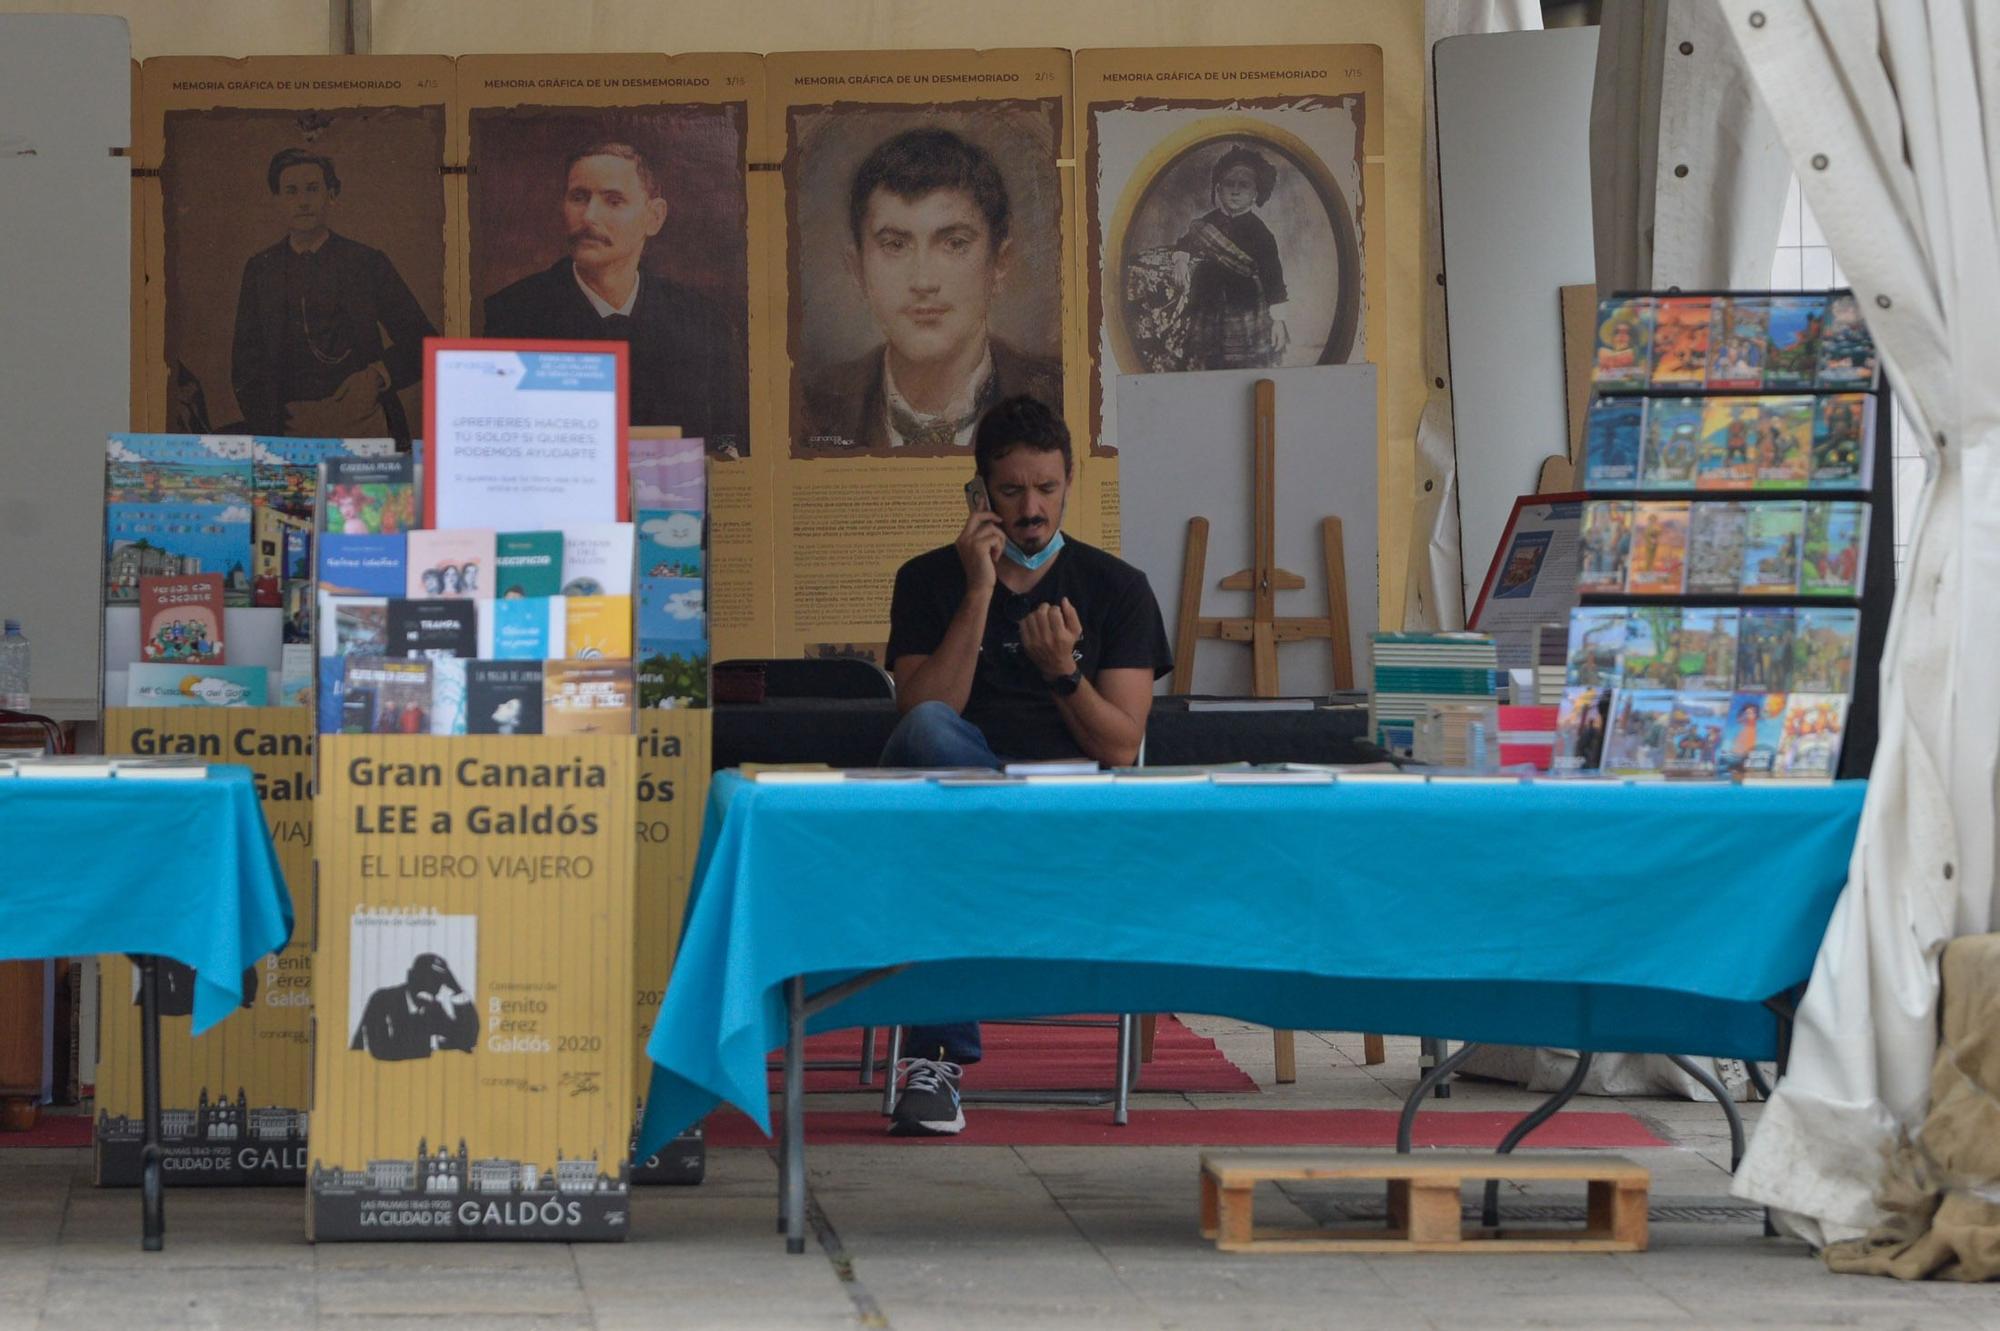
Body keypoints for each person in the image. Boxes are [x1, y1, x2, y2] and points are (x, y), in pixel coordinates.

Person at [875, 395, 1172, 1135]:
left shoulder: (1117, 589)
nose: (1032, 509)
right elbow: (921, 712)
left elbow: (1120, 748)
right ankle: (941, 1052)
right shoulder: (928, 581)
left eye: (1046, 488)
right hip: (953, 792)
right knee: (935, 738)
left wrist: (1063, 671)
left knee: (943, 836)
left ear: (1070, 480)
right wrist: (979, 591)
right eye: (1011, 491)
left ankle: (937, 1053)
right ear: (979, 493)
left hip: (1062, 809)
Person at [801, 128, 1061, 454]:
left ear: (1000, 264)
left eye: (955, 244)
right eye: (894, 244)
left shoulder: (1061, 398)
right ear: (858, 270)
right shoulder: (808, 410)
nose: (923, 281)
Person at [483, 141, 748, 456]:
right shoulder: (512, 315)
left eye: (613, 201)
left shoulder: (703, 322)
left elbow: (728, 443)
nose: (590, 216)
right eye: (579, 198)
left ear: (654, 217)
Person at [230, 148, 435, 443]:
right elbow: (245, 366)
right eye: (291, 191)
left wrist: (376, 377)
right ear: (277, 200)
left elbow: (424, 340)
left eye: (313, 189)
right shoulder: (261, 269)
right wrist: (271, 429)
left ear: (332, 194)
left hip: (364, 421)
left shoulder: (366, 262)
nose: (302, 201)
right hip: (291, 429)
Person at [1171, 145, 1291, 370]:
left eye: (1243, 185)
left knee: (1242, 367)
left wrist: (1278, 322)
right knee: (1205, 366)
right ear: (1218, 188)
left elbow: (1274, 279)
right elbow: (1187, 242)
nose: (1235, 191)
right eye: (1229, 184)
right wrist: (1180, 259)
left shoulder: (1262, 234)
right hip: (1206, 311)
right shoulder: (1206, 224)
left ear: (1255, 193)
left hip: (1244, 314)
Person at [349, 954, 478, 1061]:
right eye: (423, 977)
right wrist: (433, 1043)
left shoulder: (434, 1008)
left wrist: (457, 989)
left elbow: (467, 1039)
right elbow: (382, 1051)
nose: (428, 985)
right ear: (410, 976)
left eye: (436, 981)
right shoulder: (383, 999)